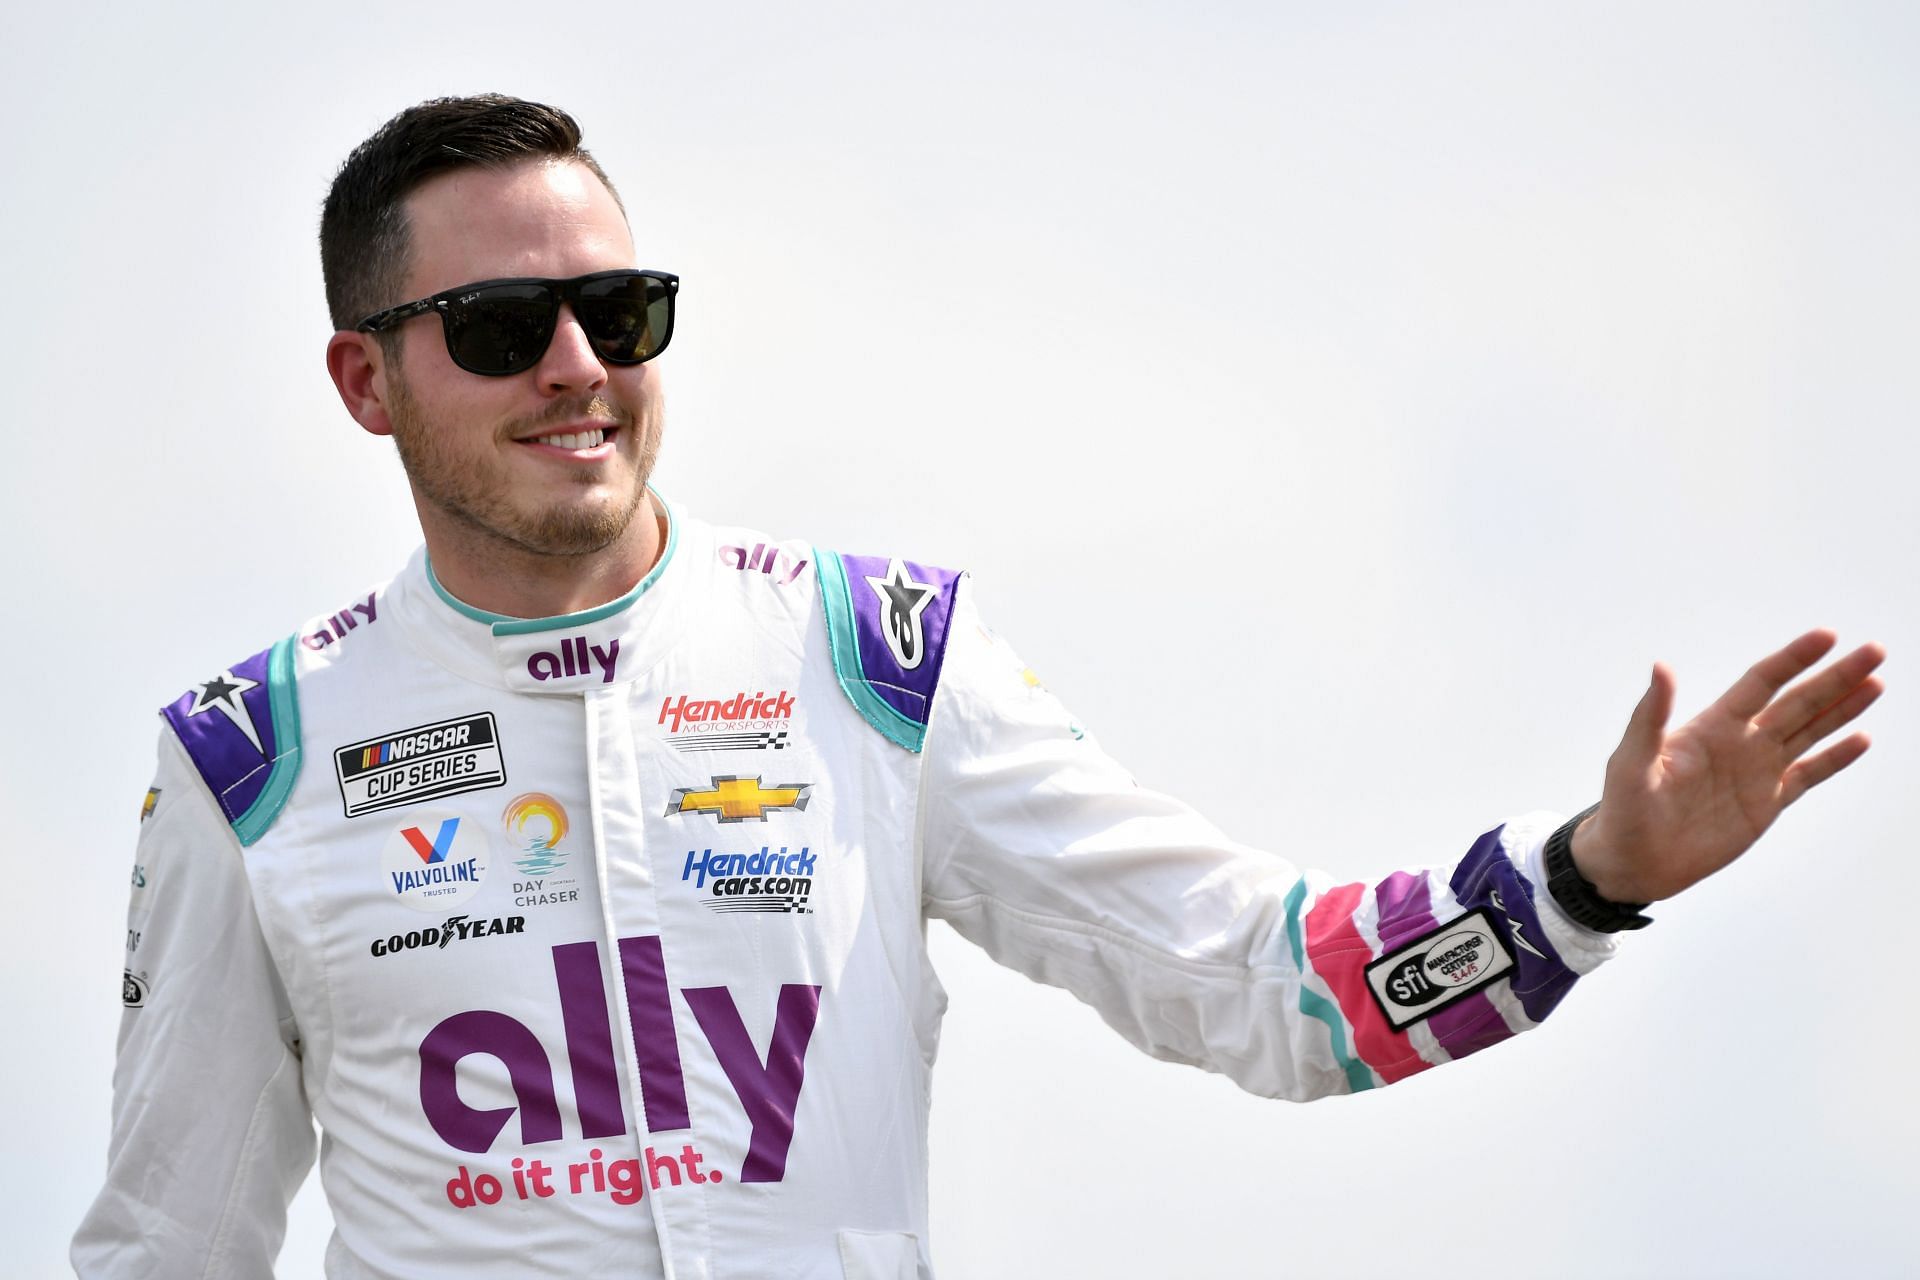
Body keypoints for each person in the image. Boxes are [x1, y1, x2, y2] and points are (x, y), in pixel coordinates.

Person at [73, 95, 1886, 1279]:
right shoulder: (257, 763)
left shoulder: (872, 661)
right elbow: (170, 1246)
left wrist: (1586, 880)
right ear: (364, 381)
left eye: (620, 315)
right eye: (497, 329)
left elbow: (1264, 990)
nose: (576, 369)